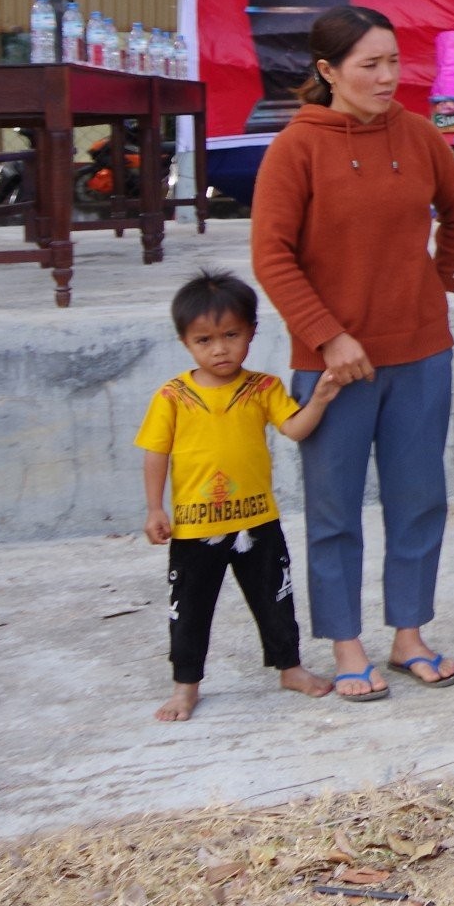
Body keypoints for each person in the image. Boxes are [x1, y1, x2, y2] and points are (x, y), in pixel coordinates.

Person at [250, 5, 454, 699]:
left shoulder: (418, 134)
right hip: (333, 368)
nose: (387, 77)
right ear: (327, 71)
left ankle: (409, 633)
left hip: (420, 353)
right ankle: (348, 644)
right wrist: (328, 335)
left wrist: (431, 287)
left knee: (418, 499)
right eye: (368, 65)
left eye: (392, 60)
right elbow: (272, 255)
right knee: (333, 508)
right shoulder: (296, 146)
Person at [138, 270, 340, 720]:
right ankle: (185, 686)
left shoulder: (262, 388)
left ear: (252, 331)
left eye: (231, 335)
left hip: (258, 522)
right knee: (189, 611)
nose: (220, 348)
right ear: (185, 342)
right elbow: (156, 454)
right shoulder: (173, 397)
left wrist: (321, 398)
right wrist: (155, 508)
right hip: (195, 530)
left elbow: (294, 429)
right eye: (204, 339)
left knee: (276, 601)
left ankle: (290, 667)